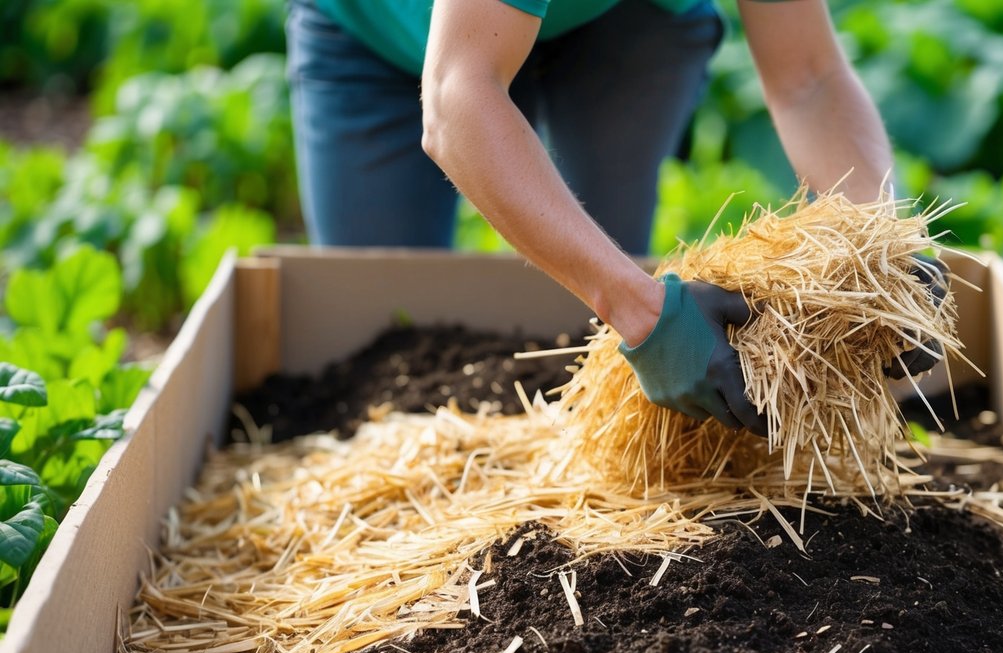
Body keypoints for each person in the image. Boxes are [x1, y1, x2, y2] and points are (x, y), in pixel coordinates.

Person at [286, 0, 942, 437]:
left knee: (604, 271)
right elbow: (458, 99)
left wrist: (879, 246)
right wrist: (643, 313)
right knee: (376, 335)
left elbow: (808, 77)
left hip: (622, 19)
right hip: (377, 25)